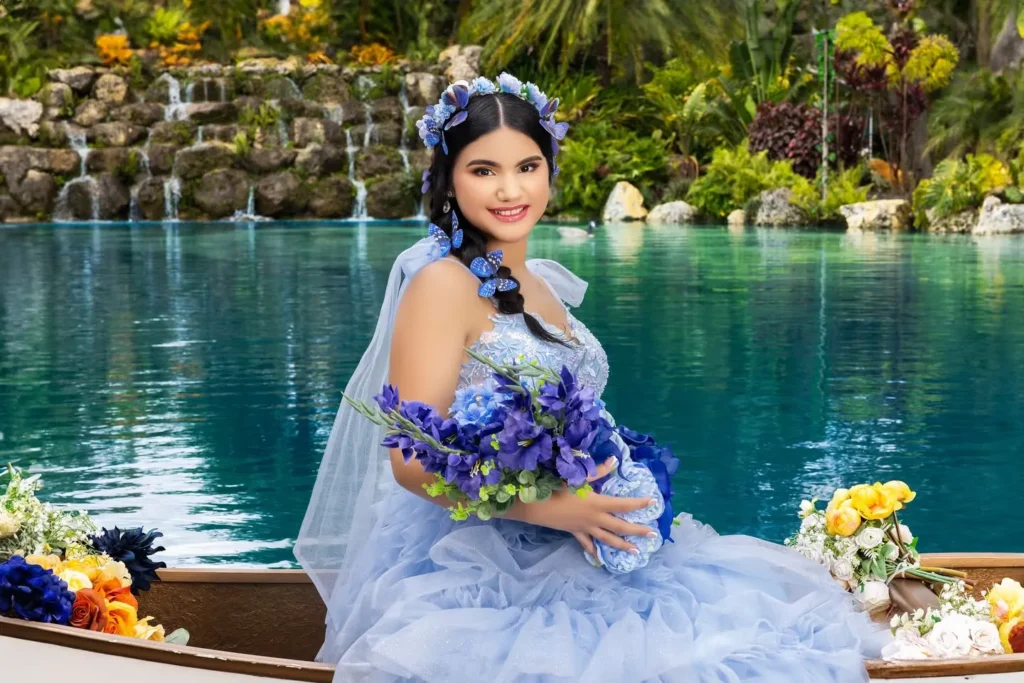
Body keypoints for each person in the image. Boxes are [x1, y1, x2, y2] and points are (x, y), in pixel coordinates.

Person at [295, 73, 888, 682]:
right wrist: (551, 507)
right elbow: (411, 460)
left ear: (550, 170)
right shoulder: (440, 284)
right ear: (448, 179)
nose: (509, 189)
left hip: (588, 531)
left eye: (527, 166)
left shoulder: (543, 283)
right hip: (486, 555)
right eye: (483, 170)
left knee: (760, 626)